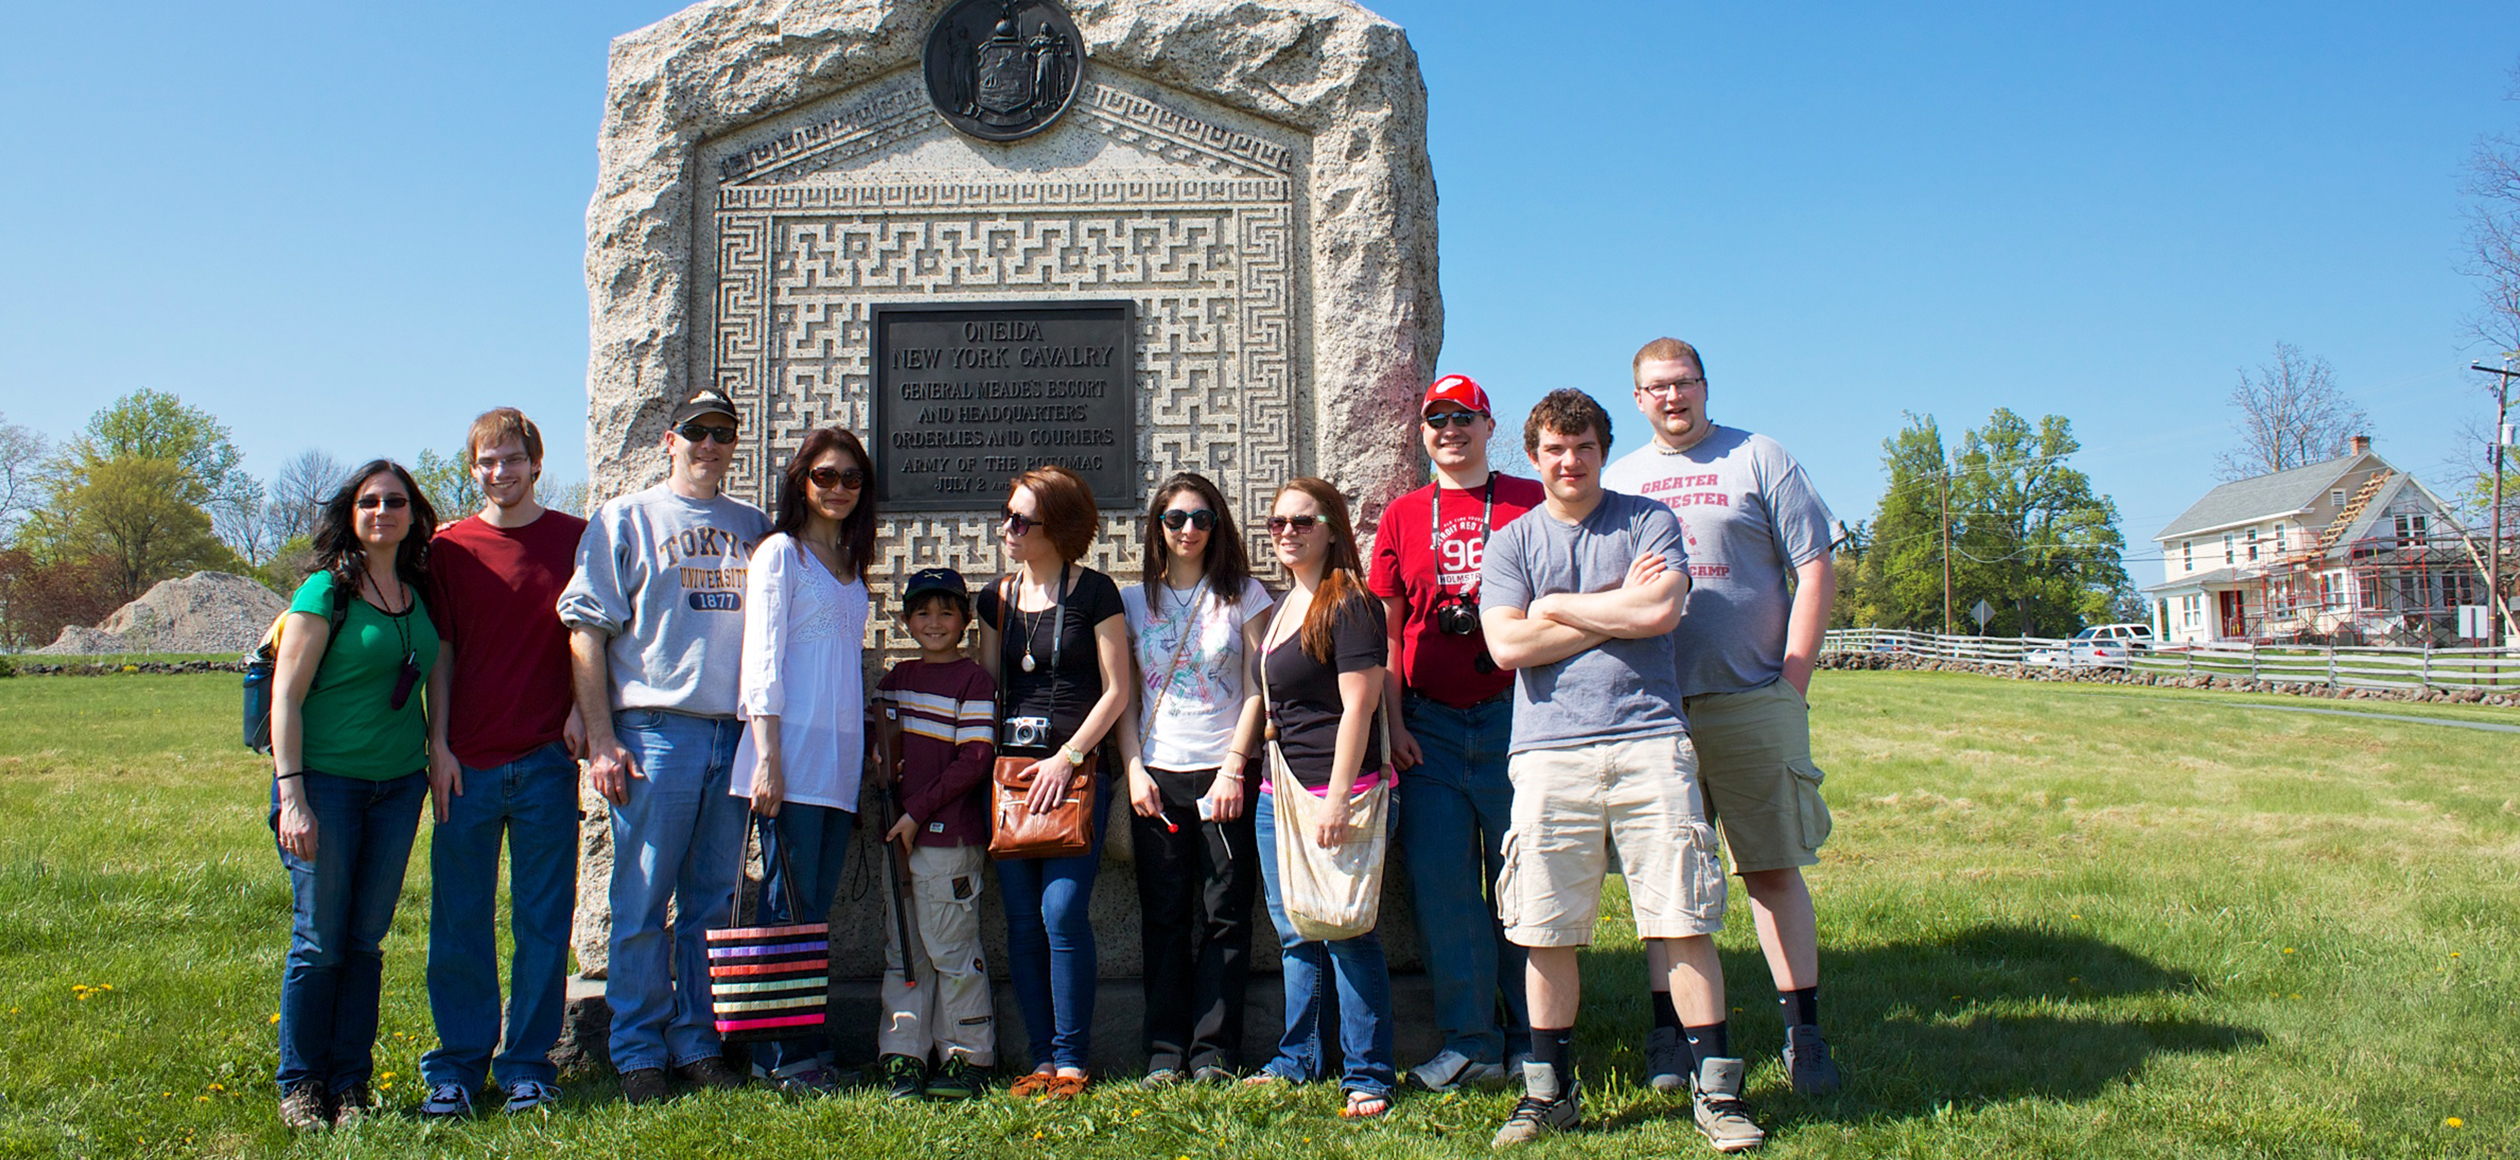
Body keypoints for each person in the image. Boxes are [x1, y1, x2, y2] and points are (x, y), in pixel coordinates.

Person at [1478, 390, 1761, 1152]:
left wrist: (1557, 608)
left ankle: (1717, 1093)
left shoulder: (1648, 521)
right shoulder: (1511, 544)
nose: (1569, 462)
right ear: (1532, 458)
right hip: (1547, 752)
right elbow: (1506, 649)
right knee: (1544, 928)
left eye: (1584, 447)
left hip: (1648, 740)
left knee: (1682, 919)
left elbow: (1660, 614)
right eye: (1554, 449)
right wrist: (1609, 603)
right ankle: (1551, 1094)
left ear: (1603, 450)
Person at [1604, 338, 1844, 1097]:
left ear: (1704, 386)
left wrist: (1793, 679)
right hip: (1655, 708)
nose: (1672, 398)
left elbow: (1814, 567)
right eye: (1655, 388)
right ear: (1637, 399)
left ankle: (1804, 1036)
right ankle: (1671, 1036)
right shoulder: (1621, 480)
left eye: (1683, 383)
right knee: (1664, 879)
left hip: (1752, 697)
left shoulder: (1759, 457)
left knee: (1771, 869)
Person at [557, 388, 771, 1105]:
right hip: (656, 733)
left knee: (712, 901)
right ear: (670, 440)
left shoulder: (755, 528)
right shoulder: (625, 519)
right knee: (643, 900)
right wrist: (603, 738)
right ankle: (637, 1047)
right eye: (697, 432)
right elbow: (586, 630)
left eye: (724, 433)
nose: (710, 444)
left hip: (731, 732)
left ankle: (696, 1040)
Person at [1366, 374, 1543, 1091]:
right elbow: (1385, 631)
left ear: (1487, 424)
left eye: (1463, 417)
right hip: (1429, 727)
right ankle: (1471, 1041)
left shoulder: (1531, 501)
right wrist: (1395, 722)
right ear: (1423, 432)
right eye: (1436, 419)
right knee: (1444, 890)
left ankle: (1538, 1038)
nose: (1450, 430)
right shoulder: (1403, 514)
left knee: (1525, 884)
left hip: (1517, 718)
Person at [417, 409, 588, 1119]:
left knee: (544, 923)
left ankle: (526, 1065)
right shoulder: (448, 548)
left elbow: (590, 635)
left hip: (548, 760)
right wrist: (439, 746)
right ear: (473, 469)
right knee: (460, 920)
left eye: (513, 459)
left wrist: (582, 711)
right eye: (487, 462)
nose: (501, 472)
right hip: (470, 766)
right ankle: (456, 1066)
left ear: (536, 464)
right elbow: (442, 654)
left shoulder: (575, 540)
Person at [267, 460, 443, 1131]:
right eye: (369, 502)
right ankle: (301, 1085)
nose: (382, 512)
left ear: (412, 513)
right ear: (351, 514)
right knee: (319, 941)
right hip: (328, 785)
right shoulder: (324, 592)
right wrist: (294, 795)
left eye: (395, 501)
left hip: (398, 787)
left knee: (365, 941)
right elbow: (286, 697)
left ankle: (350, 1084)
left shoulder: (420, 589)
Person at [973, 465, 1132, 1097]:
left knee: (1062, 913)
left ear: (1059, 528)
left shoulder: (1096, 593)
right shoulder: (996, 599)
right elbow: (986, 689)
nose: (1006, 528)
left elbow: (1119, 689)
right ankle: (1039, 1059)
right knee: (1019, 921)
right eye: (1006, 514)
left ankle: (1072, 1059)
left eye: (1021, 520)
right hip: (1012, 778)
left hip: (1076, 772)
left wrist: (1068, 755)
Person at [727, 426, 877, 1094]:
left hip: (839, 767)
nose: (838, 488)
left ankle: (804, 1047)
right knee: (784, 908)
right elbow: (760, 660)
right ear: (801, 481)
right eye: (826, 476)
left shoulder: (850, 567)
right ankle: (776, 1055)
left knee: (811, 912)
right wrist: (766, 757)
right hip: (788, 757)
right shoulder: (779, 555)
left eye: (850, 478)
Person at [1246, 477, 1398, 1118]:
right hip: (1276, 790)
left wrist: (1335, 799)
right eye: (1278, 522)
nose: (1287, 532)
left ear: (1332, 528)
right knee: (1295, 933)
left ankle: (1368, 1072)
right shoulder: (1284, 606)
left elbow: (1359, 709)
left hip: (1338, 791)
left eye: (1301, 522)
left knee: (1346, 931)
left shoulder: (1352, 603)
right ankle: (1298, 1058)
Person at [1115, 472, 1272, 1085]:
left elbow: (1260, 687)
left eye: (1201, 519)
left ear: (1218, 526)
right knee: (1164, 916)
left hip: (1224, 772)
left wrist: (1236, 766)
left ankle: (1214, 1054)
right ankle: (1163, 1051)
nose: (1188, 530)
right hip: (1156, 773)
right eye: (1175, 518)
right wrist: (1132, 768)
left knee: (1226, 914)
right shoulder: (1132, 601)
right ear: (1157, 525)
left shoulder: (1245, 596)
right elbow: (1123, 696)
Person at [871, 567, 1000, 1101]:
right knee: (904, 950)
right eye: (922, 612)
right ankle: (903, 1053)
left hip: (947, 839)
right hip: (898, 838)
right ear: (906, 621)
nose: (934, 622)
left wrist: (917, 811)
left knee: (951, 948)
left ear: (966, 621)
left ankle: (968, 1055)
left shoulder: (973, 681)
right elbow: (881, 745)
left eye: (947, 611)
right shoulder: (896, 678)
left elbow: (974, 760)